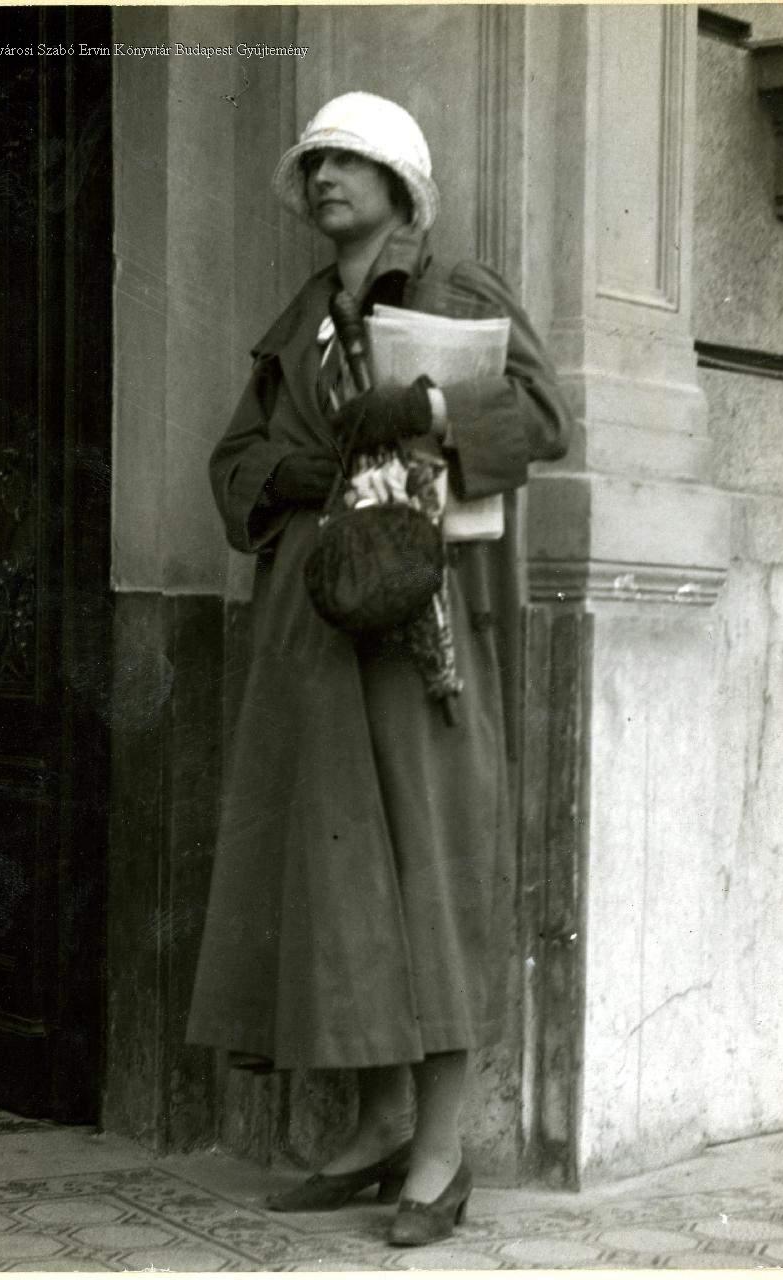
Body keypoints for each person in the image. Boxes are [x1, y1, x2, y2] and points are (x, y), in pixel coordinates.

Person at [187, 91, 570, 1246]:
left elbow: (543, 416)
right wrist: (293, 475)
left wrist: (431, 404)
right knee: (340, 872)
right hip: (312, 627)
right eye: (314, 163)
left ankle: (440, 1153)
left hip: (423, 627)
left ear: (401, 184)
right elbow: (233, 460)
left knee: (427, 867)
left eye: (348, 160)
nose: (324, 178)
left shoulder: (459, 292)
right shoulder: (299, 320)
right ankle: (376, 1127)